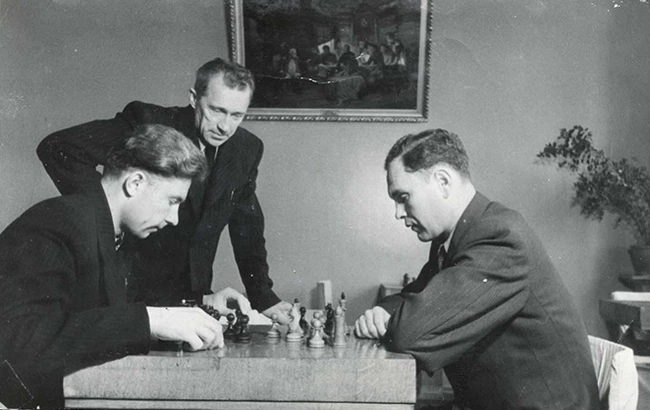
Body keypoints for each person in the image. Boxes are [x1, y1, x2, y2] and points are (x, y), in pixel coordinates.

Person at [354, 129, 599, 409]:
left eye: (403, 197)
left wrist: (390, 321)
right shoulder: (458, 237)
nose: (398, 213)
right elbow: (414, 295)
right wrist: (382, 312)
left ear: (443, 181)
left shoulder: (499, 237)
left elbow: (411, 334)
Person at [37, 58, 292, 324]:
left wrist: (264, 297)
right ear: (194, 98)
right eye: (217, 110)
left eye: (236, 115)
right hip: (126, 296)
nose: (224, 127)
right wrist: (107, 211)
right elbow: (59, 148)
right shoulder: (149, 122)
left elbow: (247, 226)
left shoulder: (246, 148)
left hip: (192, 298)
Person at [0, 124, 236, 408]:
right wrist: (149, 321)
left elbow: (122, 305)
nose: (174, 218)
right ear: (135, 183)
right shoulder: (57, 222)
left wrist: (203, 301)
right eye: (172, 201)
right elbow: (20, 343)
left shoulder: (113, 233)